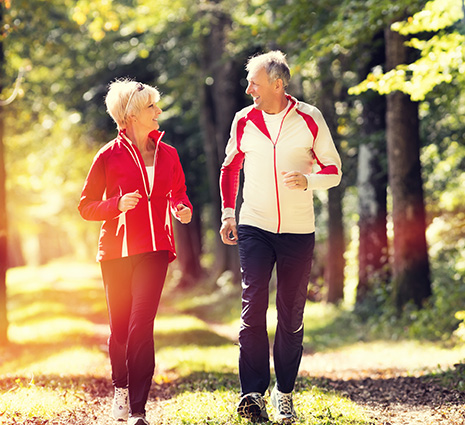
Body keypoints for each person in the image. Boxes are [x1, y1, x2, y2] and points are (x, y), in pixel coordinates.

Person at [219, 51, 342, 424]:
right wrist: (228, 214)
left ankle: (283, 393)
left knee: (290, 315)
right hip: (254, 225)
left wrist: (309, 180)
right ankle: (252, 393)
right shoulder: (244, 120)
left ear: (277, 83)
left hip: (297, 230)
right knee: (253, 305)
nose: (248, 89)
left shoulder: (309, 118)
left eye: (254, 82)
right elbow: (230, 168)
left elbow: (333, 169)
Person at [78, 78, 192, 425]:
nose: (158, 111)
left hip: (156, 249)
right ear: (129, 115)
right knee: (121, 329)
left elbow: (179, 193)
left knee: (142, 324)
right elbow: (86, 206)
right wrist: (117, 204)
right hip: (115, 252)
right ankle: (121, 391)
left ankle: (139, 410)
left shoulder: (169, 154)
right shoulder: (107, 156)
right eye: (150, 107)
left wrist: (182, 208)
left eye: (156, 105)